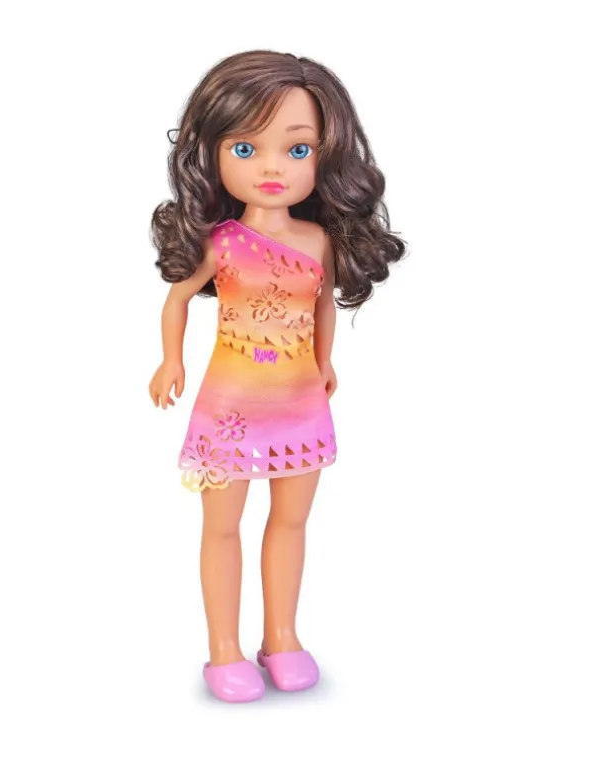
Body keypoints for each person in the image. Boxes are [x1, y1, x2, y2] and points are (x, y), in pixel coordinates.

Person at [148, 50, 407, 703]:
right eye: (246, 147)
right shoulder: (222, 243)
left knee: (291, 521)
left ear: (326, 156)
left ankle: (282, 637)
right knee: (222, 525)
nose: (271, 167)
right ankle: (224, 649)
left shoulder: (319, 242)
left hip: (299, 399)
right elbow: (178, 300)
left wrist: (326, 361)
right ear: (212, 153)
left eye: (297, 150)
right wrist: (171, 359)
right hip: (230, 404)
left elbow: (322, 306)